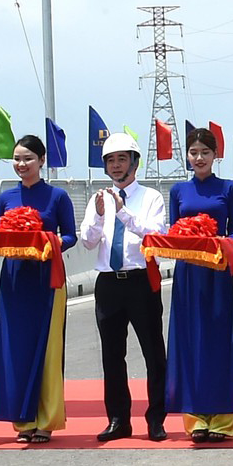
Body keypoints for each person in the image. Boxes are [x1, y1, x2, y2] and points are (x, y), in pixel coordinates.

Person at [0, 134, 78, 443]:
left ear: (41, 161)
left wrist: (47, 243)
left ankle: (47, 420)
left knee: (47, 350)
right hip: (14, 281)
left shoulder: (57, 197)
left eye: (28, 158)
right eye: (17, 159)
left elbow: (70, 236)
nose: (22, 164)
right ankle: (22, 419)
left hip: (46, 278)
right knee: (16, 348)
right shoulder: (5, 198)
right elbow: (0, 235)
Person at [80, 131, 169, 442]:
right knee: (111, 355)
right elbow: (88, 242)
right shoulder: (98, 198)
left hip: (140, 280)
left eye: (121, 159)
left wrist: (123, 213)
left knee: (153, 353)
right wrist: (101, 215)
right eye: (110, 160)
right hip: (108, 282)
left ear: (134, 162)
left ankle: (157, 419)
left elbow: (154, 235)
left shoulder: (151, 197)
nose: (116, 166)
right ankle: (118, 419)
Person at [166, 126, 233, 443]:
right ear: (187, 155)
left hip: (217, 272)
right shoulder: (178, 191)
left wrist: (223, 245)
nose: (199, 158)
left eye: (205, 153)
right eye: (194, 152)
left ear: (215, 156)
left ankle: (222, 422)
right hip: (188, 276)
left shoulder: (228, 188)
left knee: (218, 344)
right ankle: (195, 418)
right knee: (189, 344)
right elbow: (172, 231)